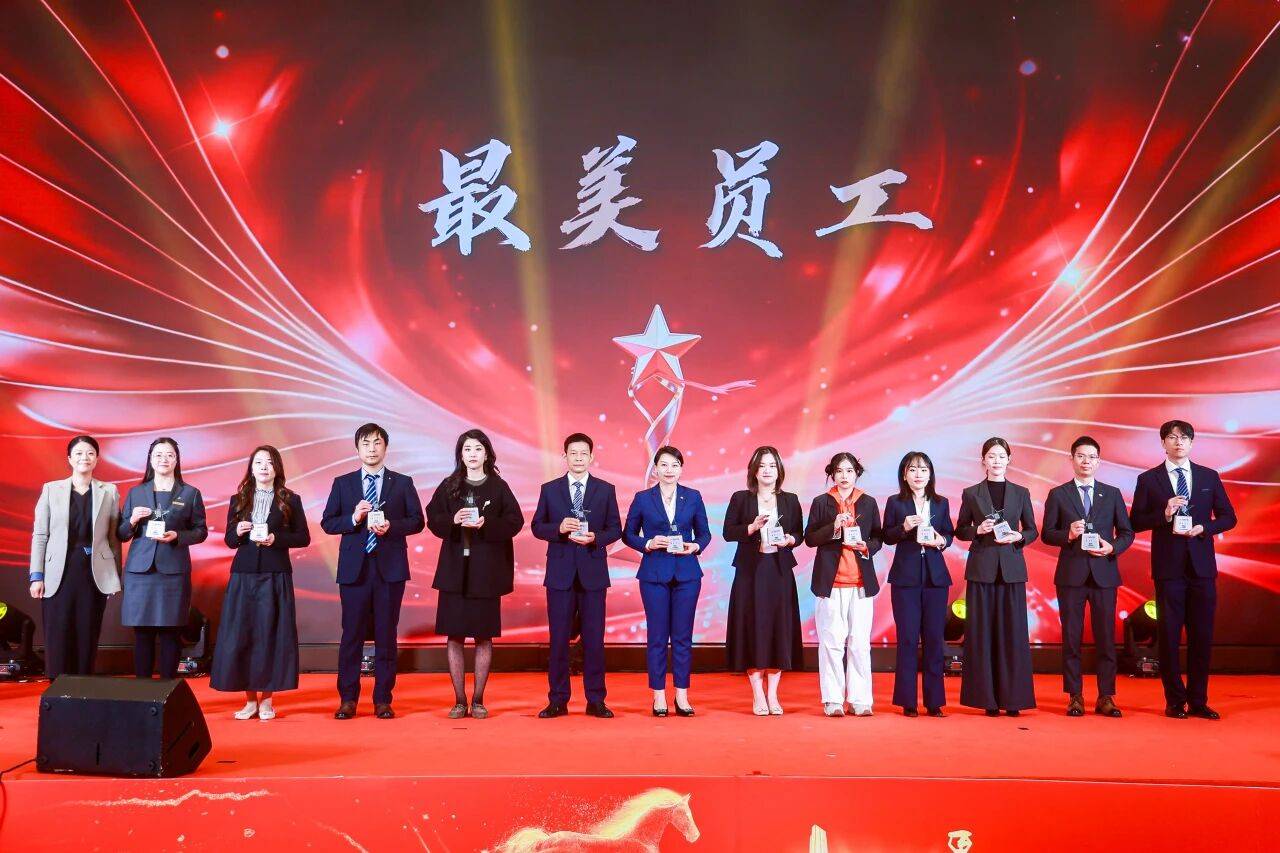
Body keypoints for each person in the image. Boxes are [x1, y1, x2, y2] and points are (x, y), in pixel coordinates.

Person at [1130, 420, 1236, 720]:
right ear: (1163, 442)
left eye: (1184, 437)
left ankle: (1199, 701)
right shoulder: (1149, 479)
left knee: (1202, 635)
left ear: (1192, 442)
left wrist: (1205, 528)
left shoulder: (1208, 476)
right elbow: (1135, 521)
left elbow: (1229, 517)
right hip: (1169, 569)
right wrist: (1164, 513)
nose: (1179, 442)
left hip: (1202, 568)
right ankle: (1175, 701)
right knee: (1169, 636)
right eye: (1172, 437)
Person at [321, 423, 425, 720]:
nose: (371, 448)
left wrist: (392, 526)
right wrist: (353, 518)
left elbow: (417, 521)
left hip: (389, 569)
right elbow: (328, 522)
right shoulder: (343, 483)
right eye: (365, 443)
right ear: (357, 448)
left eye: (377, 443)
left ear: (385, 447)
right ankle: (348, 699)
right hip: (354, 570)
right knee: (351, 635)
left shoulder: (402, 483)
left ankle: (383, 699)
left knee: (386, 635)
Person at [426, 429, 524, 720]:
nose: (472, 454)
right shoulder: (449, 485)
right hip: (455, 572)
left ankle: (478, 700)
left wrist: (486, 524)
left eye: (478, 449)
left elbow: (515, 521)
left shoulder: (499, 487)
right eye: (467, 449)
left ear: (487, 454)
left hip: (486, 573)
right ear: (460, 454)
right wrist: (452, 520)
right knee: (454, 637)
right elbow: (432, 519)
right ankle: (459, 700)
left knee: (484, 637)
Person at [210, 446, 310, 720]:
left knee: (270, 635)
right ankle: (249, 701)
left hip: (275, 574)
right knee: (244, 635)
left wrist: (277, 539)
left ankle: (267, 701)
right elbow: (230, 540)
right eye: (258, 462)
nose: (264, 467)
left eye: (269, 462)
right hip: (243, 575)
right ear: (251, 468)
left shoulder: (290, 499)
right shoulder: (239, 499)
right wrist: (238, 531)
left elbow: (303, 537)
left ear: (277, 468)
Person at [530, 433, 622, 719]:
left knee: (594, 640)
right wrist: (558, 529)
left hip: (593, 572)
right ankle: (558, 700)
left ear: (591, 457)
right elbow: (537, 526)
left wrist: (596, 538)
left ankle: (596, 700)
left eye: (584, 453)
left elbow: (615, 529)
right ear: (565, 456)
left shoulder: (605, 489)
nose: (579, 458)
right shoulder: (550, 489)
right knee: (558, 639)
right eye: (573, 453)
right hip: (560, 573)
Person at [1042, 435, 1134, 718]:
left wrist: (1112, 548)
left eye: (1092, 457)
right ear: (1071, 459)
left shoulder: (1112, 493)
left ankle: (1106, 696)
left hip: (1104, 574)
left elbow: (1127, 532)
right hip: (1071, 576)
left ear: (1098, 461)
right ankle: (1075, 696)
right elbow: (1047, 534)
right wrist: (1068, 535)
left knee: (1106, 638)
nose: (1086, 461)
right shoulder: (1059, 494)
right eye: (1081, 456)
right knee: (1071, 638)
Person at [622, 446, 711, 717]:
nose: (669, 470)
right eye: (664, 465)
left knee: (683, 637)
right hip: (654, 574)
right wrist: (648, 543)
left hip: (687, 574)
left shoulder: (693, 496)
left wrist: (695, 546)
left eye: (674, 465)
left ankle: (682, 695)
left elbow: (704, 534)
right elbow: (628, 534)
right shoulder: (643, 498)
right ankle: (658, 694)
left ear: (681, 469)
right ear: (655, 469)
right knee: (657, 637)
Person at [955, 437, 1038, 716]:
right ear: (983, 461)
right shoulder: (971, 493)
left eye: (1002, 456)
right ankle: (987, 700)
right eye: (991, 456)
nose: (997, 461)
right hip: (982, 569)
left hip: (1012, 570)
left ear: (1009, 459)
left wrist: (1019, 537)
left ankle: (1013, 699)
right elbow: (961, 530)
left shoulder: (1021, 492)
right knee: (982, 634)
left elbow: (1032, 530)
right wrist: (978, 530)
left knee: (1014, 634)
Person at [28, 435, 122, 679]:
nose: (84, 458)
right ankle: (57, 685)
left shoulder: (109, 491)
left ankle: (83, 686)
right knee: (58, 629)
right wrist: (36, 576)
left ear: (97, 459)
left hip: (93, 570)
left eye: (90, 453)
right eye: (79, 453)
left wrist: (114, 576)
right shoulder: (51, 489)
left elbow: (113, 538)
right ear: (69, 458)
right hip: (58, 570)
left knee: (87, 630)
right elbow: (40, 535)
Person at [722, 446, 804, 715]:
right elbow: (728, 532)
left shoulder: (790, 500)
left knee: (779, 628)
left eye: (772, 465)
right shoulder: (741, 498)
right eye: (762, 466)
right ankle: (758, 694)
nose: (767, 470)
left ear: (779, 470)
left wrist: (790, 540)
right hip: (750, 572)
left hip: (779, 571)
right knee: (752, 628)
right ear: (753, 471)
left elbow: (799, 534)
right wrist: (752, 527)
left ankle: (773, 694)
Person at [118, 437, 209, 679]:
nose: (164, 459)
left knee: (171, 632)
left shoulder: (190, 493)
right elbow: (122, 533)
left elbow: (201, 531)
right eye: (158, 455)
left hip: (173, 572)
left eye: (169, 455)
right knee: (143, 633)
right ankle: (142, 689)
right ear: (150, 459)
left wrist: (178, 536)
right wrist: (133, 520)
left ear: (177, 460)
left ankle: (167, 689)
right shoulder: (136, 492)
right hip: (140, 572)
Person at [803, 452, 883, 717]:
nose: (844, 476)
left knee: (859, 643)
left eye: (849, 471)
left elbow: (878, 538)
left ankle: (860, 699)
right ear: (832, 474)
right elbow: (810, 538)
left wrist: (866, 546)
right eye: (839, 471)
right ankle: (833, 699)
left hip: (861, 583)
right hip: (830, 583)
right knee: (831, 642)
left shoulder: (868, 502)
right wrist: (834, 527)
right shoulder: (822, 502)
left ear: (857, 473)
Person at [882, 451, 954, 718]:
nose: (918, 474)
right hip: (906, 578)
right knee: (908, 639)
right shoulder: (895, 502)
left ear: (930, 474)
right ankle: (908, 701)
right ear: (904, 474)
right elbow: (886, 536)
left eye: (923, 470)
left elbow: (949, 533)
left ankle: (935, 702)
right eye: (913, 469)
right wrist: (903, 527)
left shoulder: (941, 502)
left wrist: (940, 541)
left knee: (934, 639)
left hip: (936, 578)